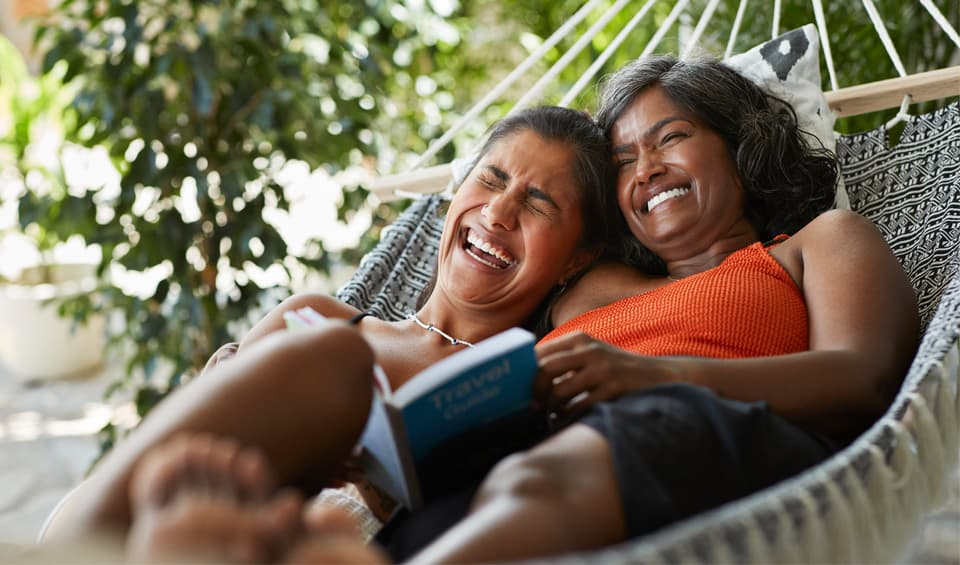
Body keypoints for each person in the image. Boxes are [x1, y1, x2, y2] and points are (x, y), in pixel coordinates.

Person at [370, 55, 919, 562]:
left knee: (545, 479)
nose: (646, 170)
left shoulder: (818, 243)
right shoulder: (583, 287)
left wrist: (655, 375)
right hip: (529, 471)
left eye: (671, 138)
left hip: (706, 448)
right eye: (624, 162)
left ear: (739, 145)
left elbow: (863, 379)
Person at [38, 104, 619, 561]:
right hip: (141, 529)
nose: (499, 212)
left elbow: (687, 286)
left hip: (329, 545)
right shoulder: (317, 316)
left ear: (578, 259)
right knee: (325, 358)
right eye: (490, 180)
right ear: (455, 196)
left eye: (538, 205)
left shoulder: (521, 385)